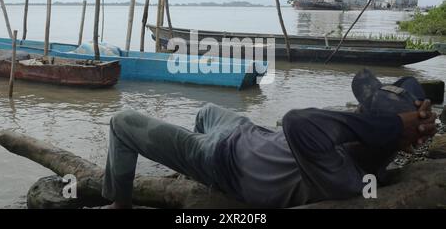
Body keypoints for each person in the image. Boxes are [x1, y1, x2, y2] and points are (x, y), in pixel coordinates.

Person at [102, 69, 438, 208]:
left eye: (364, 112)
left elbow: (296, 122)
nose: (357, 112)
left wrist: (393, 127)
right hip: (249, 134)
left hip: (222, 160)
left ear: (381, 132)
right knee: (205, 111)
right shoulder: (370, 154)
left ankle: (120, 203)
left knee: (121, 123)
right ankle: (183, 161)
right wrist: (410, 121)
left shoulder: (344, 174)